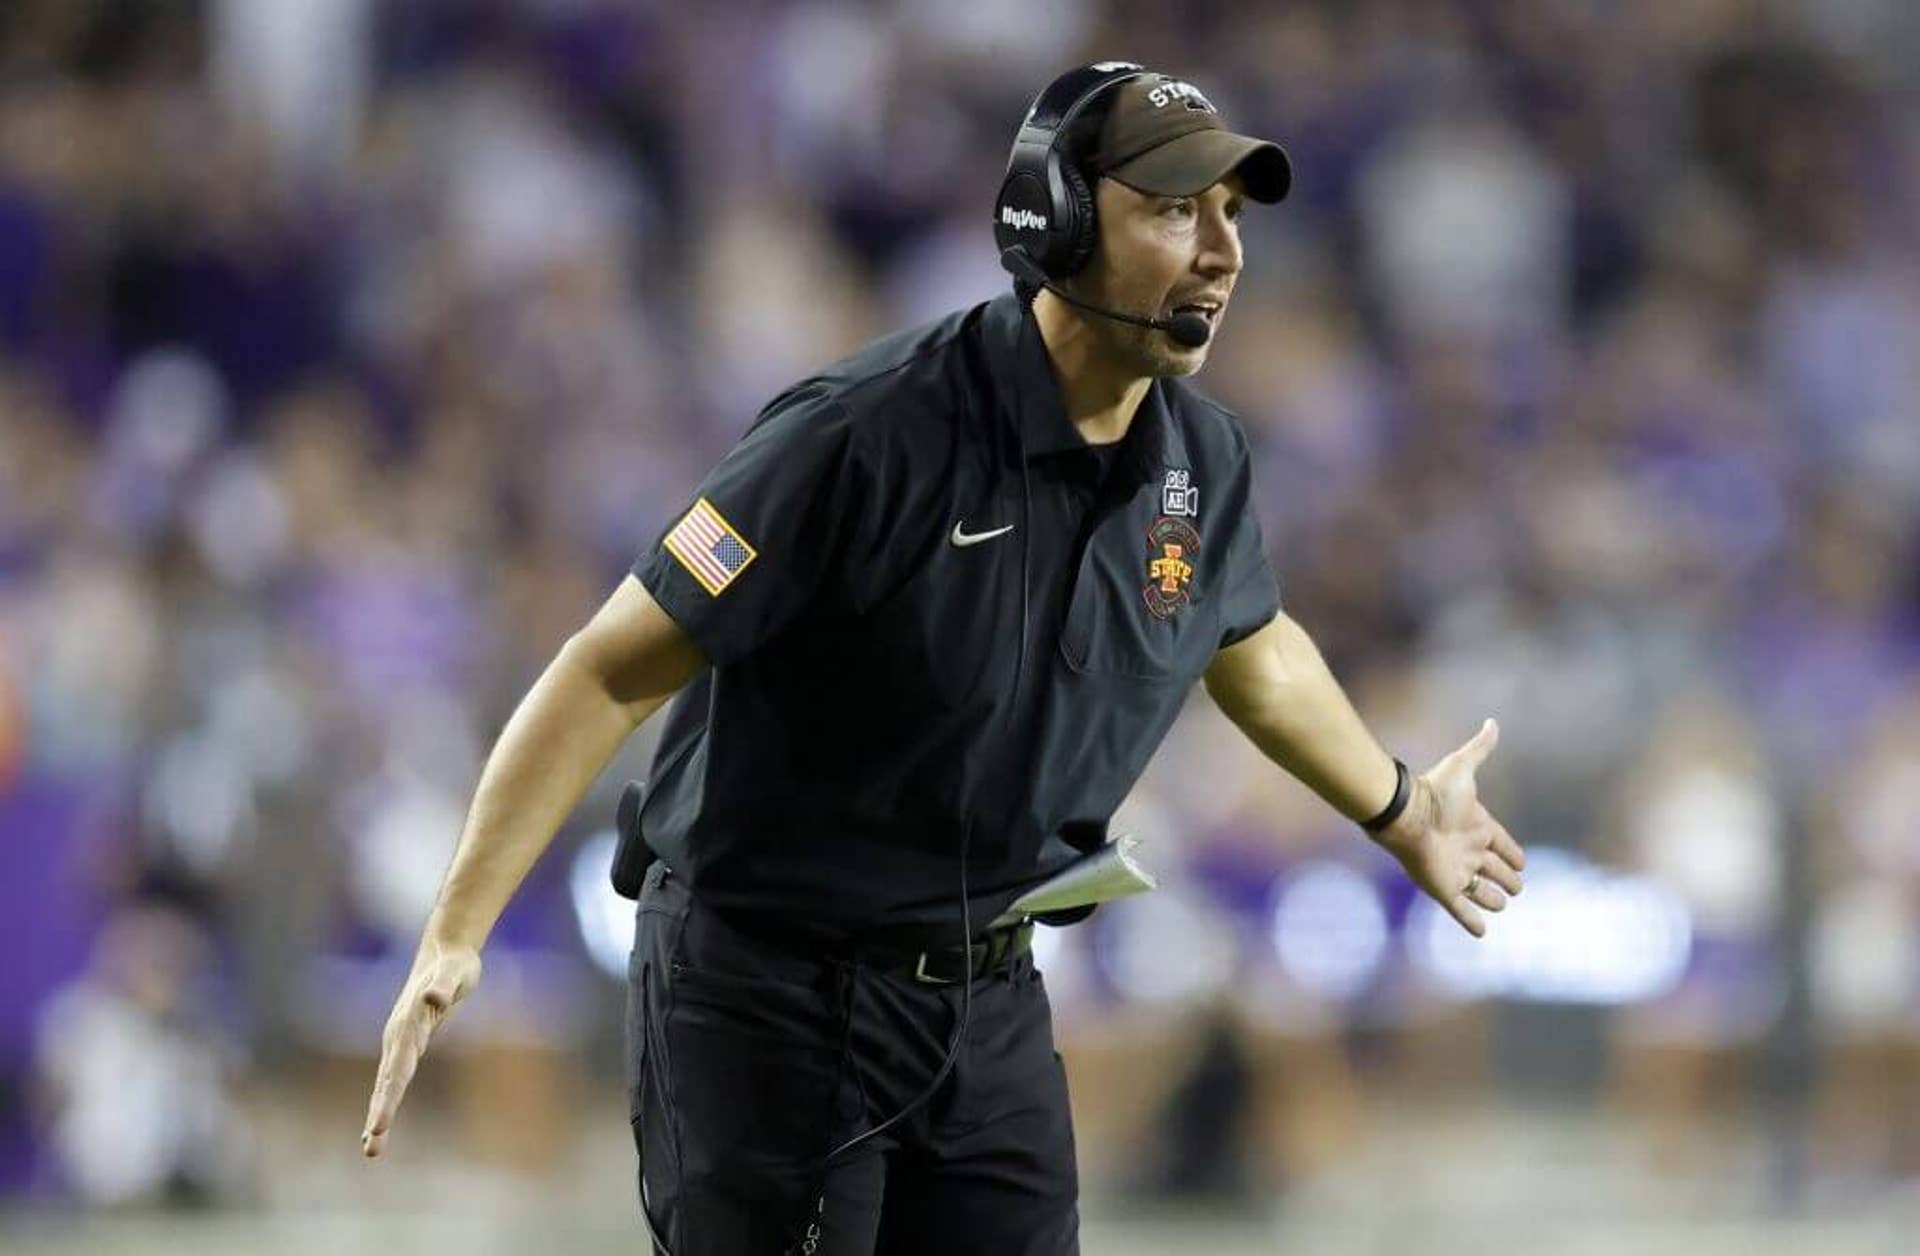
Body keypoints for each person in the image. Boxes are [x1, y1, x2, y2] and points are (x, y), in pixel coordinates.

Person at [361, 63, 1527, 1255]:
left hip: (990, 992)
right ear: (1059, 220)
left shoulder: (1200, 458)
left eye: (1232, 214)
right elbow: (610, 667)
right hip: (776, 988)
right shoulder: (859, 433)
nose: (1224, 251)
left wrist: (1394, 806)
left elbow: (1252, 643)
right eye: (1177, 208)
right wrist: (458, 928)